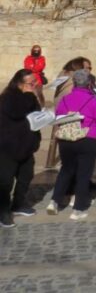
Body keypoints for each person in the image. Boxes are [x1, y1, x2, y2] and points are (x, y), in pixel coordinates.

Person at [48, 69, 96, 220]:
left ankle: (54, 201)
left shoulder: (64, 100)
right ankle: (78, 209)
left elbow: (58, 116)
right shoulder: (94, 101)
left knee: (66, 170)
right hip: (87, 139)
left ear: (74, 83)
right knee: (83, 174)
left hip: (66, 140)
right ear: (89, 83)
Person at [0, 69, 42, 227]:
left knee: (26, 176)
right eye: (30, 83)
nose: (33, 85)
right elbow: (17, 113)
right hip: (8, 146)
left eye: (34, 82)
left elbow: (36, 112)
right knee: (5, 181)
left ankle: (18, 204)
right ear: (19, 83)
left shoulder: (30, 97)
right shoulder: (8, 97)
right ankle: (3, 212)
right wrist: (30, 95)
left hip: (26, 145)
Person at [45, 56, 93, 168]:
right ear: (78, 66)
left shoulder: (64, 74)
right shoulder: (76, 78)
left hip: (61, 109)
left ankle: (52, 161)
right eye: (87, 67)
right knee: (72, 142)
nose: (90, 70)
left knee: (58, 138)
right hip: (71, 113)